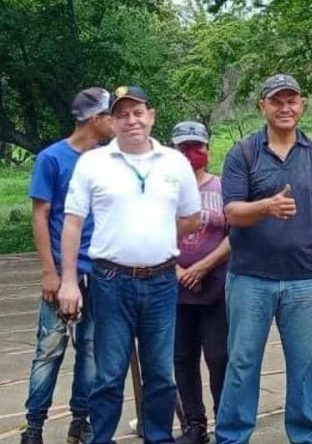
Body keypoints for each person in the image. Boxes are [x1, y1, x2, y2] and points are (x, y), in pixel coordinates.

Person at [56, 86, 202, 444]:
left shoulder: (174, 162)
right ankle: (100, 438)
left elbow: (192, 217)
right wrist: (69, 281)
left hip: (162, 281)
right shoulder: (93, 163)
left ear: (152, 115)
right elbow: (72, 222)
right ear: (111, 120)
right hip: (111, 282)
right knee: (108, 375)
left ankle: (158, 437)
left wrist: (152, 235)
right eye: (121, 114)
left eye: (138, 112)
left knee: (161, 375)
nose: (131, 120)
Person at [216, 74, 312, 444]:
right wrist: (265, 207)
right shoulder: (243, 152)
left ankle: (308, 436)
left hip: (301, 280)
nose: (285, 108)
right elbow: (230, 212)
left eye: (291, 100)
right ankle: (232, 436)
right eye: (276, 101)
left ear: (302, 104)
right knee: (242, 363)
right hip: (250, 279)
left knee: (304, 364)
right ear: (262, 106)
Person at [21, 87, 113, 444]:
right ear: (96, 119)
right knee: (49, 348)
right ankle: (34, 426)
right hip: (62, 271)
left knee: (91, 348)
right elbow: (41, 217)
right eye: (110, 115)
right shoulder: (52, 159)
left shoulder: (108, 159)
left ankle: (81, 417)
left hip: (100, 269)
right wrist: (50, 271)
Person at [170, 121, 231, 444]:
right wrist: (179, 270)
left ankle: (225, 421)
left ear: (208, 148)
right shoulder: (164, 190)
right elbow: (152, 234)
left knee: (220, 357)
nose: (191, 153)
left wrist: (205, 266)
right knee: (182, 358)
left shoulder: (222, 187)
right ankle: (194, 424)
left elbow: (235, 233)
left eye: (197, 146)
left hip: (216, 287)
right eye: (183, 148)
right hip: (175, 288)